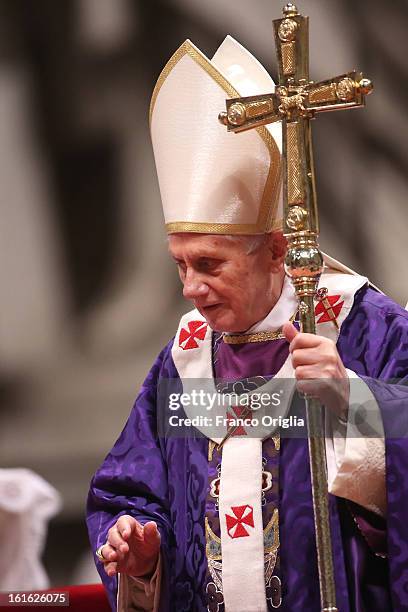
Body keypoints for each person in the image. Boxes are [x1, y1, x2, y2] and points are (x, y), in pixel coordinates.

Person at [87, 36, 408, 611]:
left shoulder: (363, 327)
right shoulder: (184, 360)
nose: (190, 288)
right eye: (180, 265)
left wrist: (354, 401)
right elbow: (134, 489)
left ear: (277, 249)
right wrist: (140, 549)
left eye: (209, 264)